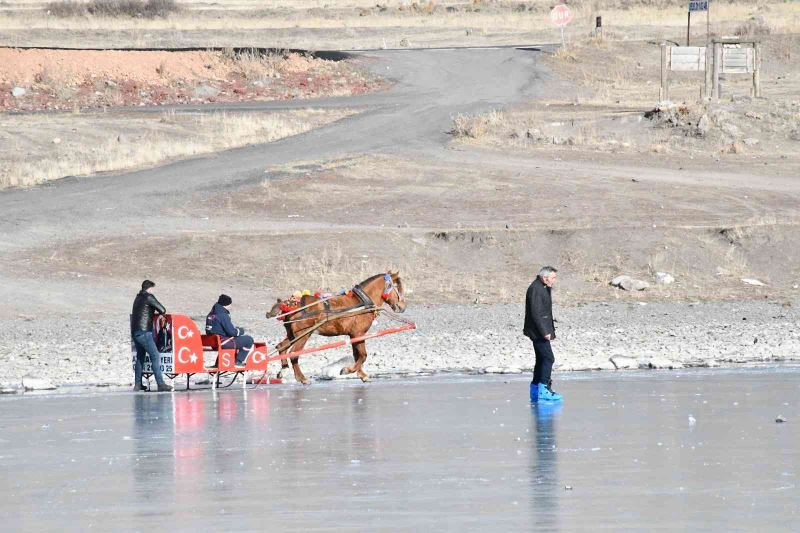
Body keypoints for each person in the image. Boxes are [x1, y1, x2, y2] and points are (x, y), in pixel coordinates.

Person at [524, 266, 563, 402]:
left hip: (538, 330)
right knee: (548, 358)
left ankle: (535, 388)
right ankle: (543, 389)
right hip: (538, 331)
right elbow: (536, 313)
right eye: (552, 278)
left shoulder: (542, 287)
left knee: (541, 359)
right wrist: (545, 331)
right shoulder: (536, 289)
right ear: (544, 277)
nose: (554, 280)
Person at [131, 280, 173, 392]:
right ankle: (161, 384)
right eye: (153, 289)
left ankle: (138, 384)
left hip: (136, 332)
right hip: (145, 332)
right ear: (149, 288)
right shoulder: (149, 297)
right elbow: (162, 309)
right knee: (155, 355)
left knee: (140, 357)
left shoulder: (138, 297)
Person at [206, 294, 254, 365]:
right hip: (223, 342)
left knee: (237, 339)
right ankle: (238, 360)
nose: (231, 306)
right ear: (225, 305)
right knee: (249, 340)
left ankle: (222, 362)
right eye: (230, 304)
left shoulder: (211, 314)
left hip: (214, 343)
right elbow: (231, 332)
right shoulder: (223, 315)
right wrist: (241, 331)